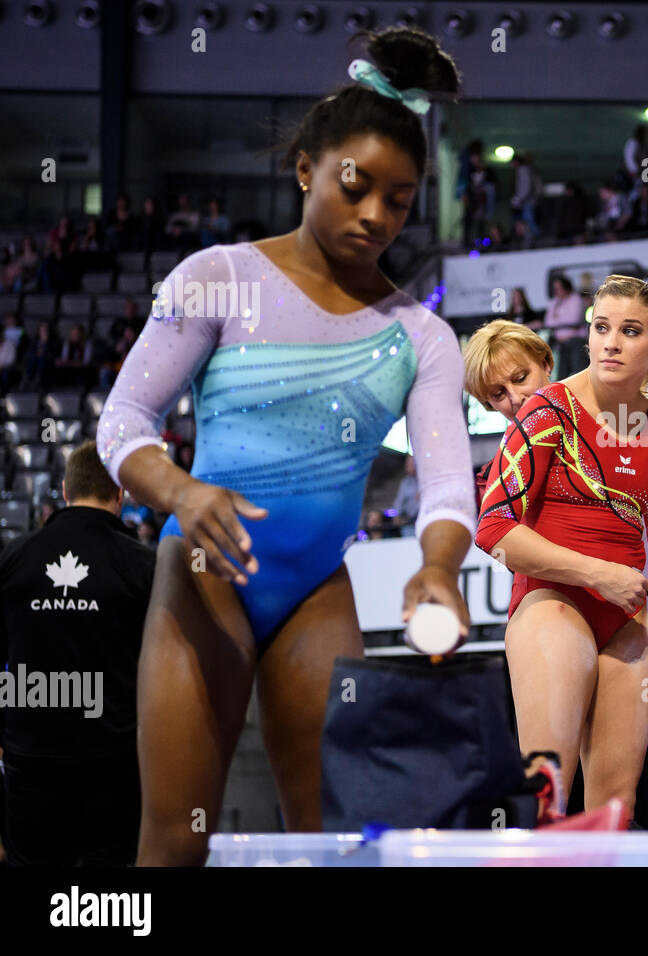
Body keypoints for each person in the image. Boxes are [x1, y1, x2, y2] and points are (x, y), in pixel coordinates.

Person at [96, 26, 477, 865]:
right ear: (306, 167)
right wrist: (182, 493)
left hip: (314, 587)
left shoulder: (422, 336)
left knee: (332, 841)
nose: (376, 215)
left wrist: (440, 566)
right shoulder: (218, 277)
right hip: (204, 571)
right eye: (355, 184)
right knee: (173, 838)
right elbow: (123, 419)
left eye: (400, 199)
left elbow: (448, 483)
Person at [475, 275, 648, 818]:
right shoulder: (547, 409)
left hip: (626, 618)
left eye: (630, 331)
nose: (611, 342)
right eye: (601, 328)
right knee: (548, 796)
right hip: (554, 605)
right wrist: (600, 575)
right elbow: (494, 528)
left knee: (614, 814)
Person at [0, 442, 156, 866]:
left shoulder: (13, 558)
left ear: (65, 490)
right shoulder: (144, 566)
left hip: (30, 764)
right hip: (114, 766)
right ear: (119, 494)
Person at [462, 319, 554, 507]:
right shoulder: (492, 481)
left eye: (520, 378)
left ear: (545, 364)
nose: (515, 398)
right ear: (488, 404)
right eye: (498, 394)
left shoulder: (608, 428)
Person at [543, 274, 588, 376]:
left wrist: (557, 319)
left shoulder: (576, 300)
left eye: (559, 288)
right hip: (560, 342)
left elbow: (574, 319)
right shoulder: (555, 302)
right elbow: (548, 322)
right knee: (561, 372)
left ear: (566, 286)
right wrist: (563, 321)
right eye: (555, 289)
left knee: (578, 369)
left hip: (576, 340)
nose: (557, 291)